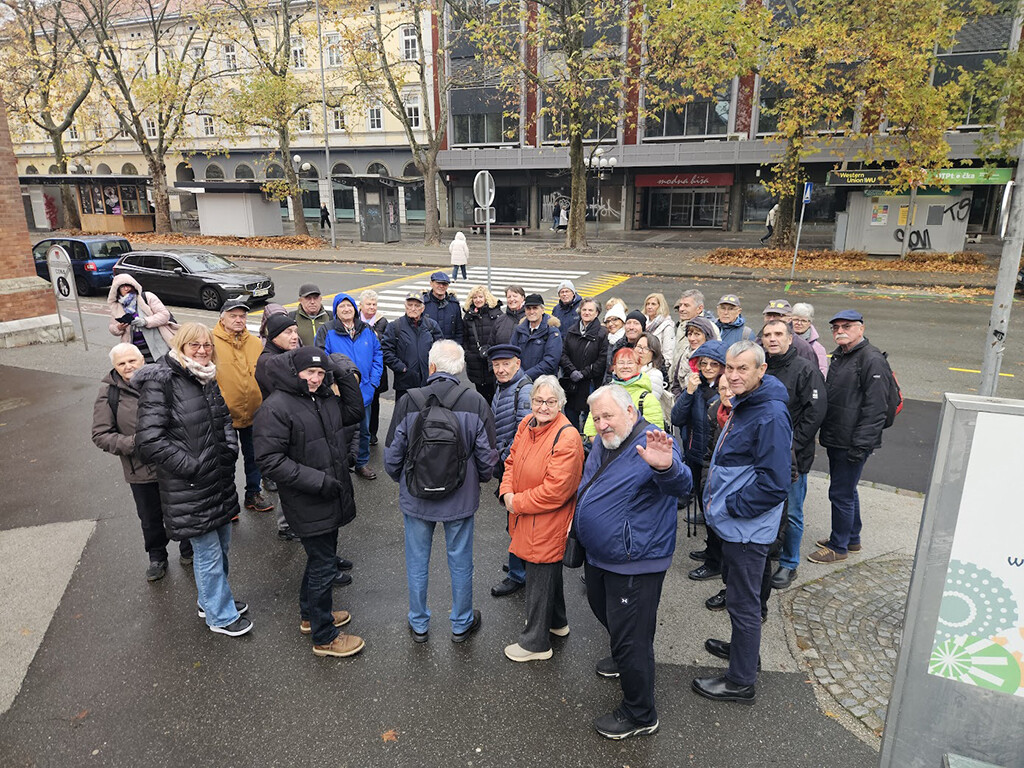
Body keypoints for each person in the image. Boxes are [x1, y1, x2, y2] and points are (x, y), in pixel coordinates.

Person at [576, 385, 691, 739]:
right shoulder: (604, 440)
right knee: (604, 611)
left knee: (633, 637)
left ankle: (640, 713)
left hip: (635, 560)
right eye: (597, 418)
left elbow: (683, 486)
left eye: (608, 416)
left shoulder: (654, 442)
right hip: (601, 555)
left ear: (629, 411)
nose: (602, 424)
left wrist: (666, 467)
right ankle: (623, 657)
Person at [135, 323, 252, 637]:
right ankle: (220, 616)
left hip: (218, 479)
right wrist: (191, 466)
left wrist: (229, 450)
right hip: (189, 486)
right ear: (180, 346)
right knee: (208, 553)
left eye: (207, 345)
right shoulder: (162, 381)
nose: (202, 351)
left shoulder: (206, 376)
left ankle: (211, 600)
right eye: (195, 345)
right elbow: (148, 440)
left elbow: (224, 418)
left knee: (222, 546)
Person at [693, 340, 791, 705]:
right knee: (738, 596)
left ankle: (740, 681)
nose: (733, 376)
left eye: (742, 369)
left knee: (744, 603)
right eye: (730, 368)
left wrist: (732, 506)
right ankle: (743, 651)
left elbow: (775, 483)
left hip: (747, 528)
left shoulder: (770, 414)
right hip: (737, 525)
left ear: (761, 370)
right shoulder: (749, 402)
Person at [253, 346, 366, 658]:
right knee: (323, 565)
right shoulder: (276, 407)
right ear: (295, 372)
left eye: (320, 373)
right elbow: (270, 461)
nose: (315, 379)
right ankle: (324, 636)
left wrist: (339, 371)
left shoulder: (322, 398)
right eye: (309, 372)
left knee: (320, 561)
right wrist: (318, 481)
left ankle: (311, 616)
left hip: (329, 496)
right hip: (309, 499)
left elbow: (354, 411)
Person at [384, 340, 498, 643]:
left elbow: (392, 456)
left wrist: (402, 479)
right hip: (460, 496)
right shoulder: (475, 401)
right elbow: (487, 458)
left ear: (431, 366)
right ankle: (461, 622)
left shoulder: (409, 400)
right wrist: (477, 479)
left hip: (416, 495)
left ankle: (419, 622)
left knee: (417, 561)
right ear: (460, 369)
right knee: (460, 561)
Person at [499, 375, 584, 662]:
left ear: (561, 403)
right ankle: (557, 622)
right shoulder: (526, 424)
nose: (543, 407)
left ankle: (536, 643)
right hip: (527, 516)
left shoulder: (567, 436)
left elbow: (556, 491)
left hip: (548, 521)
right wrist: (506, 491)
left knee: (539, 577)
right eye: (538, 400)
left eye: (550, 401)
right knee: (546, 575)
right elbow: (511, 461)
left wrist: (517, 503)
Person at [92, 343, 193, 581]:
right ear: (114, 366)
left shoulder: (162, 382)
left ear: (142, 361)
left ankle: (188, 549)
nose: (128, 366)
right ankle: (157, 557)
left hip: (172, 462)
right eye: (121, 363)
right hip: (140, 469)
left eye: (132, 361)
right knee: (150, 517)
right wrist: (137, 443)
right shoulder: (109, 393)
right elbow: (100, 434)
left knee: (182, 509)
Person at [809, 309, 890, 564]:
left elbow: (876, 407)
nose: (840, 331)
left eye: (847, 326)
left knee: (840, 493)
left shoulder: (871, 359)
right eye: (835, 327)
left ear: (861, 328)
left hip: (852, 440)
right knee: (847, 489)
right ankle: (851, 538)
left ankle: (838, 546)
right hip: (839, 436)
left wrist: (861, 444)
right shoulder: (842, 355)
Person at [763, 319, 827, 589]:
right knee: (768, 507)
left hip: (794, 456)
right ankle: (773, 549)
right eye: (767, 334)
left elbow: (815, 413)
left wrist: (790, 447)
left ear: (790, 339)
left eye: (778, 334)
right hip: (763, 452)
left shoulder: (805, 368)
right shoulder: (761, 367)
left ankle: (789, 563)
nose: (772, 338)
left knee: (792, 511)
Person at [670, 340, 727, 580]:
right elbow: (676, 417)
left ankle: (716, 561)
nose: (708, 368)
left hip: (715, 459)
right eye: (704, 363)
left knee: (715, 511)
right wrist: (689, 392)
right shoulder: (696, 387)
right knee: (705, 507)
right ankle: (711, 551)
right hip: (695, 454)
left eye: (714, 364)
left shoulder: (725, 389)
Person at [212, 299, 273, 514]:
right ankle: (227, 502)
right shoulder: (210, 342)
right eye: (233, 316)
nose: (239, 320)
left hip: (255, 411)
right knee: (225, 459)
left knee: (254, 456)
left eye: (242, 316)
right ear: (222, 319)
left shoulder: (255, 343)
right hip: (224, 415)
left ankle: (253, 493)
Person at [315, 293, 383, 481]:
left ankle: (361, 462)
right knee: (338, 432)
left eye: (349, 306)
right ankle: (339, 464)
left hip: (365, 391)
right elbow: (321, 358)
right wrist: (333, 384)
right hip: (340, 393)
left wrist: (373, 382)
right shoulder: (326, 330)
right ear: (336, 310)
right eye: (341, 306)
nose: (346, 309)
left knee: (364, 430)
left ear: (355, 308)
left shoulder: (366, 329)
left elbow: (378, 355)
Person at [488, 343, 533, 598]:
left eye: (506, 364)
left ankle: (518, 574)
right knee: (513, 518)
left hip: (515, 466)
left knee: (515, 519)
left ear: (517, 364)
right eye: (496, 365)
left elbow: (523, 432)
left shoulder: (523, 390)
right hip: (507, 462)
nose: (501, 369)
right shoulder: (504, 386)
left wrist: (503, 457)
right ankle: (519, 561)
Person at [584, 348, 664, 438]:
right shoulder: (603, 395)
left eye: (630, 363)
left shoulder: (647, 399)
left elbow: (655, 434)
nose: (625, 366)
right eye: (621, 363)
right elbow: (590, 431)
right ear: (614, 367)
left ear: (638, 367)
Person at [381, 292, 443, 405]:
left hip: (428, 382)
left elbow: (441, 350)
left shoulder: (431, 326)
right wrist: (401, 368)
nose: (413, 308)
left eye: (417, 305)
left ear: (423, 308)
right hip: (405, 383)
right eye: (410, 305)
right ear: (405, 306)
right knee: (404, 413)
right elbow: (386, 351)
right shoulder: (395, 326)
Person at [559, 297, 609, 432]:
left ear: (597, 313)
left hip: (591, 383)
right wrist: (572, 371)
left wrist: (584, 373)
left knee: (590, 416)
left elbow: (602, 359)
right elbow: (563, 354)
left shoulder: (602, 334)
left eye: (590, 310)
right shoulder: (571, 331)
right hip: (572, 382)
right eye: (584, 309)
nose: (586, 313)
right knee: (570, 414)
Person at [107, 275, 176, 363]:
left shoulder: (146, 297)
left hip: (157, 343)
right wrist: (119, 327)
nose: (126, 288)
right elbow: (112, 328)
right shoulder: (117, 306)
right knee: (141, 369)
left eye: (128, 285)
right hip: (134, 347)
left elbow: (164, 315)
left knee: (163, 367)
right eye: (122, 287)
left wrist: (145, 321)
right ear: (117, 290)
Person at [463, 285, 513, 404]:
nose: (478, 300)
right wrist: (468, 355)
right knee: (482, 396)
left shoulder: (496, 314)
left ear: (486, 298)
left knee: (496, 396)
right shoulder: (469, 317)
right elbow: (465, 339)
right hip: (475, 363)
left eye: (480, 297)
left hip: (492, 361)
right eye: (475, 297)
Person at [359, 289, 389, 446]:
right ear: (361, 305)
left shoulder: (382, 321)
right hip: (359, 367)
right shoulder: (354, 319)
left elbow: (383, 343)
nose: (372, 307)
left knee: (374, 401)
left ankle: (372, 433)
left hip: (376, 369)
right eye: (368, 304)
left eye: (374, 304)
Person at [509, 293, 563, 380]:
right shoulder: (519, 330)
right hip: (521, 380)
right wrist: (519, 374)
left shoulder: (552, 331)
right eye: (528, 308)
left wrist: (526, 376)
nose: (531, 312)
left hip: (543, 382)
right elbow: (512, 354)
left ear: (542, 310)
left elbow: (551, 362)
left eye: (535, 308)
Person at [669, 316, 720, 398]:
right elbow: (676, 384)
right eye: (690, 334)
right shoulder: (685, 354)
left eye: (697, 334)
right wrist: (680, 399)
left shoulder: (715, 357)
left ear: (706, 335)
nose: (692, 338)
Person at [759, 299, 819, 368]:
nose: (771, 319)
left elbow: (811, 371)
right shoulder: (758, 341)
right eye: (768, 315)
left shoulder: (802, 347)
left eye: (777, 315)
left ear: (789, 319)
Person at [256, 313, 299, 399]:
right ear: (274, 337)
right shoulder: (267, 361)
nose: (295, 336)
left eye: (295, 331)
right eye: (288, 332)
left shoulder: (290, 354)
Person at [672, 290, 712, 368]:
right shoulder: (681, 325)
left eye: (686, 305)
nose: (681, 309)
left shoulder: (708, 327)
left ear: (699, 308)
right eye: (680, 305)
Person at [422, 272, 463, 344]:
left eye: (444, 284)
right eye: (438, 283)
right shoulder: (423, 304)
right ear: (431, 284)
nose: (441, 286)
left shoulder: (454, 304)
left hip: (449, 347)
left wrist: (456, 346)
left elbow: (459, 330)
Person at [791, 302, 829, 377]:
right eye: (795, 319)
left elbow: (821, 374)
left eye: (803, 320)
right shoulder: (782, 340)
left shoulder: (817, 348)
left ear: (809, 323)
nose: (799, 323)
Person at [292, 284, 331, 348]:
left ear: (320, 299)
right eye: (308, 298)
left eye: (315, 298)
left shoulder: (330, 316)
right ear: (300, 300)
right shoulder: (292, 317)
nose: (312, 302)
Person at [642, 292, 674, 364]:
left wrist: (663, 365)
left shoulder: (667, 325)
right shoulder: (642, 322)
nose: (649, 307)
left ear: (660, 306)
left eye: (653, 304)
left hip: (657, 364)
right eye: (647, 304)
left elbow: (668, 352)